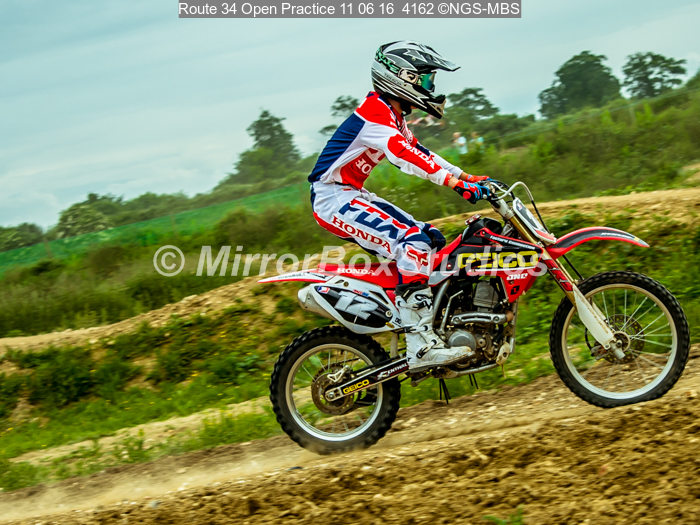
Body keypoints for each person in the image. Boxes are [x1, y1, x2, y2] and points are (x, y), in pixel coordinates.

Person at [307, 41, 491, 372]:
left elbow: (420, 151)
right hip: (332, 198)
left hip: (350, 193)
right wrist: (455, 184)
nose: (430, 87)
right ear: (402, 78)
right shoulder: (375, 112)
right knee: (413, 243)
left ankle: (427, 321)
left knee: (430, 237)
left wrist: (466, 176)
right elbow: (404, 156)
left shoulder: (389, 113)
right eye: (425, 80)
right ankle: (419, 346)